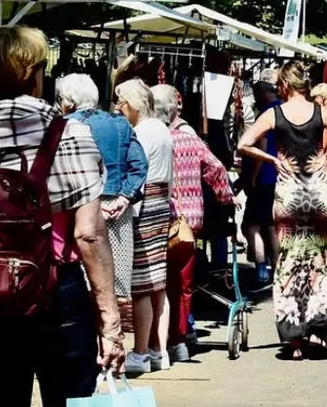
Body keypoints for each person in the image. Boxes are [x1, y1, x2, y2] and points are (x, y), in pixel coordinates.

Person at [0, 26, 124, 406]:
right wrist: (111, 321)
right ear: (34, 74)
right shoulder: (70, 134)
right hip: (58, 295)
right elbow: (88, 235)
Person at [238, 60, 327, 361]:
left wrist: (273, 159)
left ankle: (294, 336)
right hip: (318, 191)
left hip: (289, 193)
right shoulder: (320, 112)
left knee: (289, 260)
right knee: (322, 259)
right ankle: (319, 329)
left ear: (284, 84)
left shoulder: (274, 114)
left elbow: (244, 143)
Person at [151, 85, 235, 362]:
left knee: (155, 283)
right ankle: (179, 342)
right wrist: (225, 198)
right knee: (183, 284)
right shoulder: (191, 141)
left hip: (157, 219)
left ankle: (157, 343)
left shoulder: (149, 140)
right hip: (190, 222)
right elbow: (218, 168)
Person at [56, 74, 148, 319]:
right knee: (111, 287)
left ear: (69, 101)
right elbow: (139, 165)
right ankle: (108, 339)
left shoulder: (62, 127)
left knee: (81, 283)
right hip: (117, 209)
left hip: (79, 209)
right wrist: (125, 198)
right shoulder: (120, 124)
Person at [116, 78, 175, 374]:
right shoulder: (163, 129)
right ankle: (158, 350)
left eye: (122, 102)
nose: (118, 108)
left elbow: (136, 173)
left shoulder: (140, 132)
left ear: (135, 104)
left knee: (141, 284)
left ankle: (140, 352)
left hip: (144, 207)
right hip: (161, 204)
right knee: (157, 283)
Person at [242, 80, 282, 284]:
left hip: (265, 176)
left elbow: (262, 146)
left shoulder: (266, 114)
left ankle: (262, 267)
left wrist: (253, 175)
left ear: (263, 94)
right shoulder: (285, 109)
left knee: (255, 225)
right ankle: (276, 267)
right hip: (281, 174)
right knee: (272, 225)